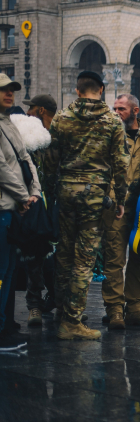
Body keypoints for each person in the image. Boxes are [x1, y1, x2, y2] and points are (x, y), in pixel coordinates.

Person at [45, 71, 127, 340]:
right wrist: (121, 200)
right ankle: (71, 321)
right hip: (95, 196)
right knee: (84, 259)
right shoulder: (112, 121)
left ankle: (61, 310)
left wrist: (49, 194)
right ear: (101, 90)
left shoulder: (61, 118)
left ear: (78, 91)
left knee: (65, 254)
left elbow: (50, 160)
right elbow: (121, 165)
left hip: (66, 193)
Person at [99, 94, 140, 330]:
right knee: (114, 260)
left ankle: (134, 308)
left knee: (139, 259)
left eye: (122, 109)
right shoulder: (108, 135)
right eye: (114, 108)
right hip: (114, 207)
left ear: (135, 110)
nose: (116, 112)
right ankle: (115, 311)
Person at [0, 74, 41, 350]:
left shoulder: (8, 123)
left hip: (14, 207)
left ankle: (7, 326)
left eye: (11, 90)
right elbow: (1, 168)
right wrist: (24, 195)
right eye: (3, 90)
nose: (9, 94)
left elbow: (26, 159)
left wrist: (35, 191)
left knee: (10, 271)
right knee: (2, 272)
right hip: (4, 207)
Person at [18, 95, 57, 326]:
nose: (28, 112)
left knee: (55, 257)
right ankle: (34, 306)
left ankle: (55, 299)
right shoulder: (25, 135)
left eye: (31, 108)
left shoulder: (57, 137)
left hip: (53, 203)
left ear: (41, 110)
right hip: (34, 203)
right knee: (33, 253)